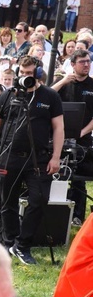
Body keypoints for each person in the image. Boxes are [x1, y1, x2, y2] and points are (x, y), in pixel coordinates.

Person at [0, 55, 64, 265]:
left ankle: (23, 245)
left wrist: (56, 156)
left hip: (38, 159)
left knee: (39, 199)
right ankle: (9, 241)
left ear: (38, 74)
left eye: (29, 74)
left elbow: (59, 127)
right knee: (7, 201)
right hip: (9, 156)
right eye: (22, 73)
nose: (25, 77)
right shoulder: (8, 95)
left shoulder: (50, 96)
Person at [51, 50, 93, 225]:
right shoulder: (64, 83)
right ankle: (53, 210)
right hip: (59, 137)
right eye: (82, 61)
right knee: (56, 173)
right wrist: (62, 81)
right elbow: (46, 96)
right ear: (73, 64)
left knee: (78, 178)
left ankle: (77, 215)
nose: (86, 64)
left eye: (88, 61)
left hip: (83, 138)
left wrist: (82, 132)